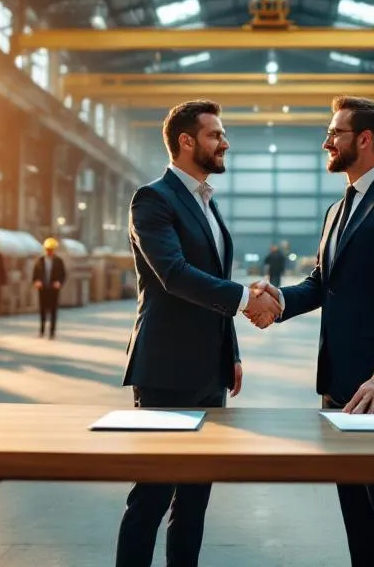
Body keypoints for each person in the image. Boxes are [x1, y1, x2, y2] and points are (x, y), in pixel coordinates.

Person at [249, 95, 374, 567]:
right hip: (338, 381)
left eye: (335, 133)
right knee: (355, 505)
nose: (326, 142)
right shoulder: (338, 209)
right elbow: (321, 283)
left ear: (365, 139)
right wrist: (279, 301)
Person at [115, 100, 280, 567]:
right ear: (186, 141)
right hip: (166, 368)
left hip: (209, 368)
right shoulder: (152, 199)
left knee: (194, 498)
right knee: (151, 495)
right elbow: (173, 274)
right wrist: (247, 300)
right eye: (215, 135)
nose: (224, 143)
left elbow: (209, 280)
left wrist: (231, 350)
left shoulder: (205, 201)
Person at [32, 238, 67, 339]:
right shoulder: (40, 261)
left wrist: (59, 283)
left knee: (53, 310)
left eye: (51, 249)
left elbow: (63, 275)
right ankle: (42, 330)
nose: (49, 251)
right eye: (47, 249)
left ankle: (52, 332)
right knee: (42, 310)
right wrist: (36, 281)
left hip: (53, 289)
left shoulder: (58, 261)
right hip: (43, 289)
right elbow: (35, 274)